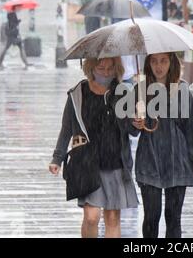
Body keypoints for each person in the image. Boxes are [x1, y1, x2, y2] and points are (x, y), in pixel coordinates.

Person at [49, 57, 139, 238]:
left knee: (112, 218)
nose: (106, 73)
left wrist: (137, 123)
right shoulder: (78, 94)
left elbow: (132, 131)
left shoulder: (122, 93)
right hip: (88, 164)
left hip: (116, 164)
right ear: (90, 67)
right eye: (101, 68)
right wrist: (57, 158)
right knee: (91, 217)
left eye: (110, 68)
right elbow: (66, 128)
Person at [131, 52, 193, 238]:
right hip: (149, 158)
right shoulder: (140, 90)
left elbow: (192, 124)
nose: (159, 66)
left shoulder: (182, 89)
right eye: (154, 61)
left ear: (171, 62)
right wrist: (135, 122)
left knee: (173, 217)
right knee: (151, 216)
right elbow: (131, 130)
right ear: (148, 63)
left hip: (178, 160)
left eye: (163, 61)